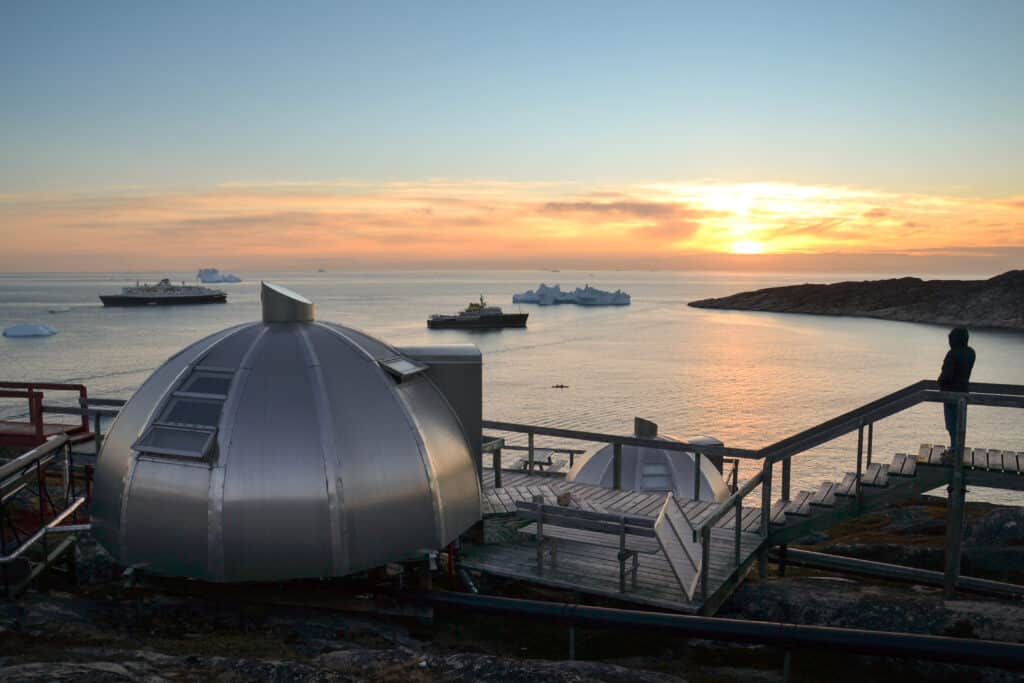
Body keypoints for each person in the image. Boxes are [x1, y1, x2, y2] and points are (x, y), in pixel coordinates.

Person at [938, 326, 976, 453]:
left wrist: (940, 382)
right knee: (960, 423)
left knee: (951, 423)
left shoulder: (952, 354)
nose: (949, 343)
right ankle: (957, 447)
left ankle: (955, 449)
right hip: (964, 392)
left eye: (950, 340)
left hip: (950, 394)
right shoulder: (971, 353)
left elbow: (947, 375)